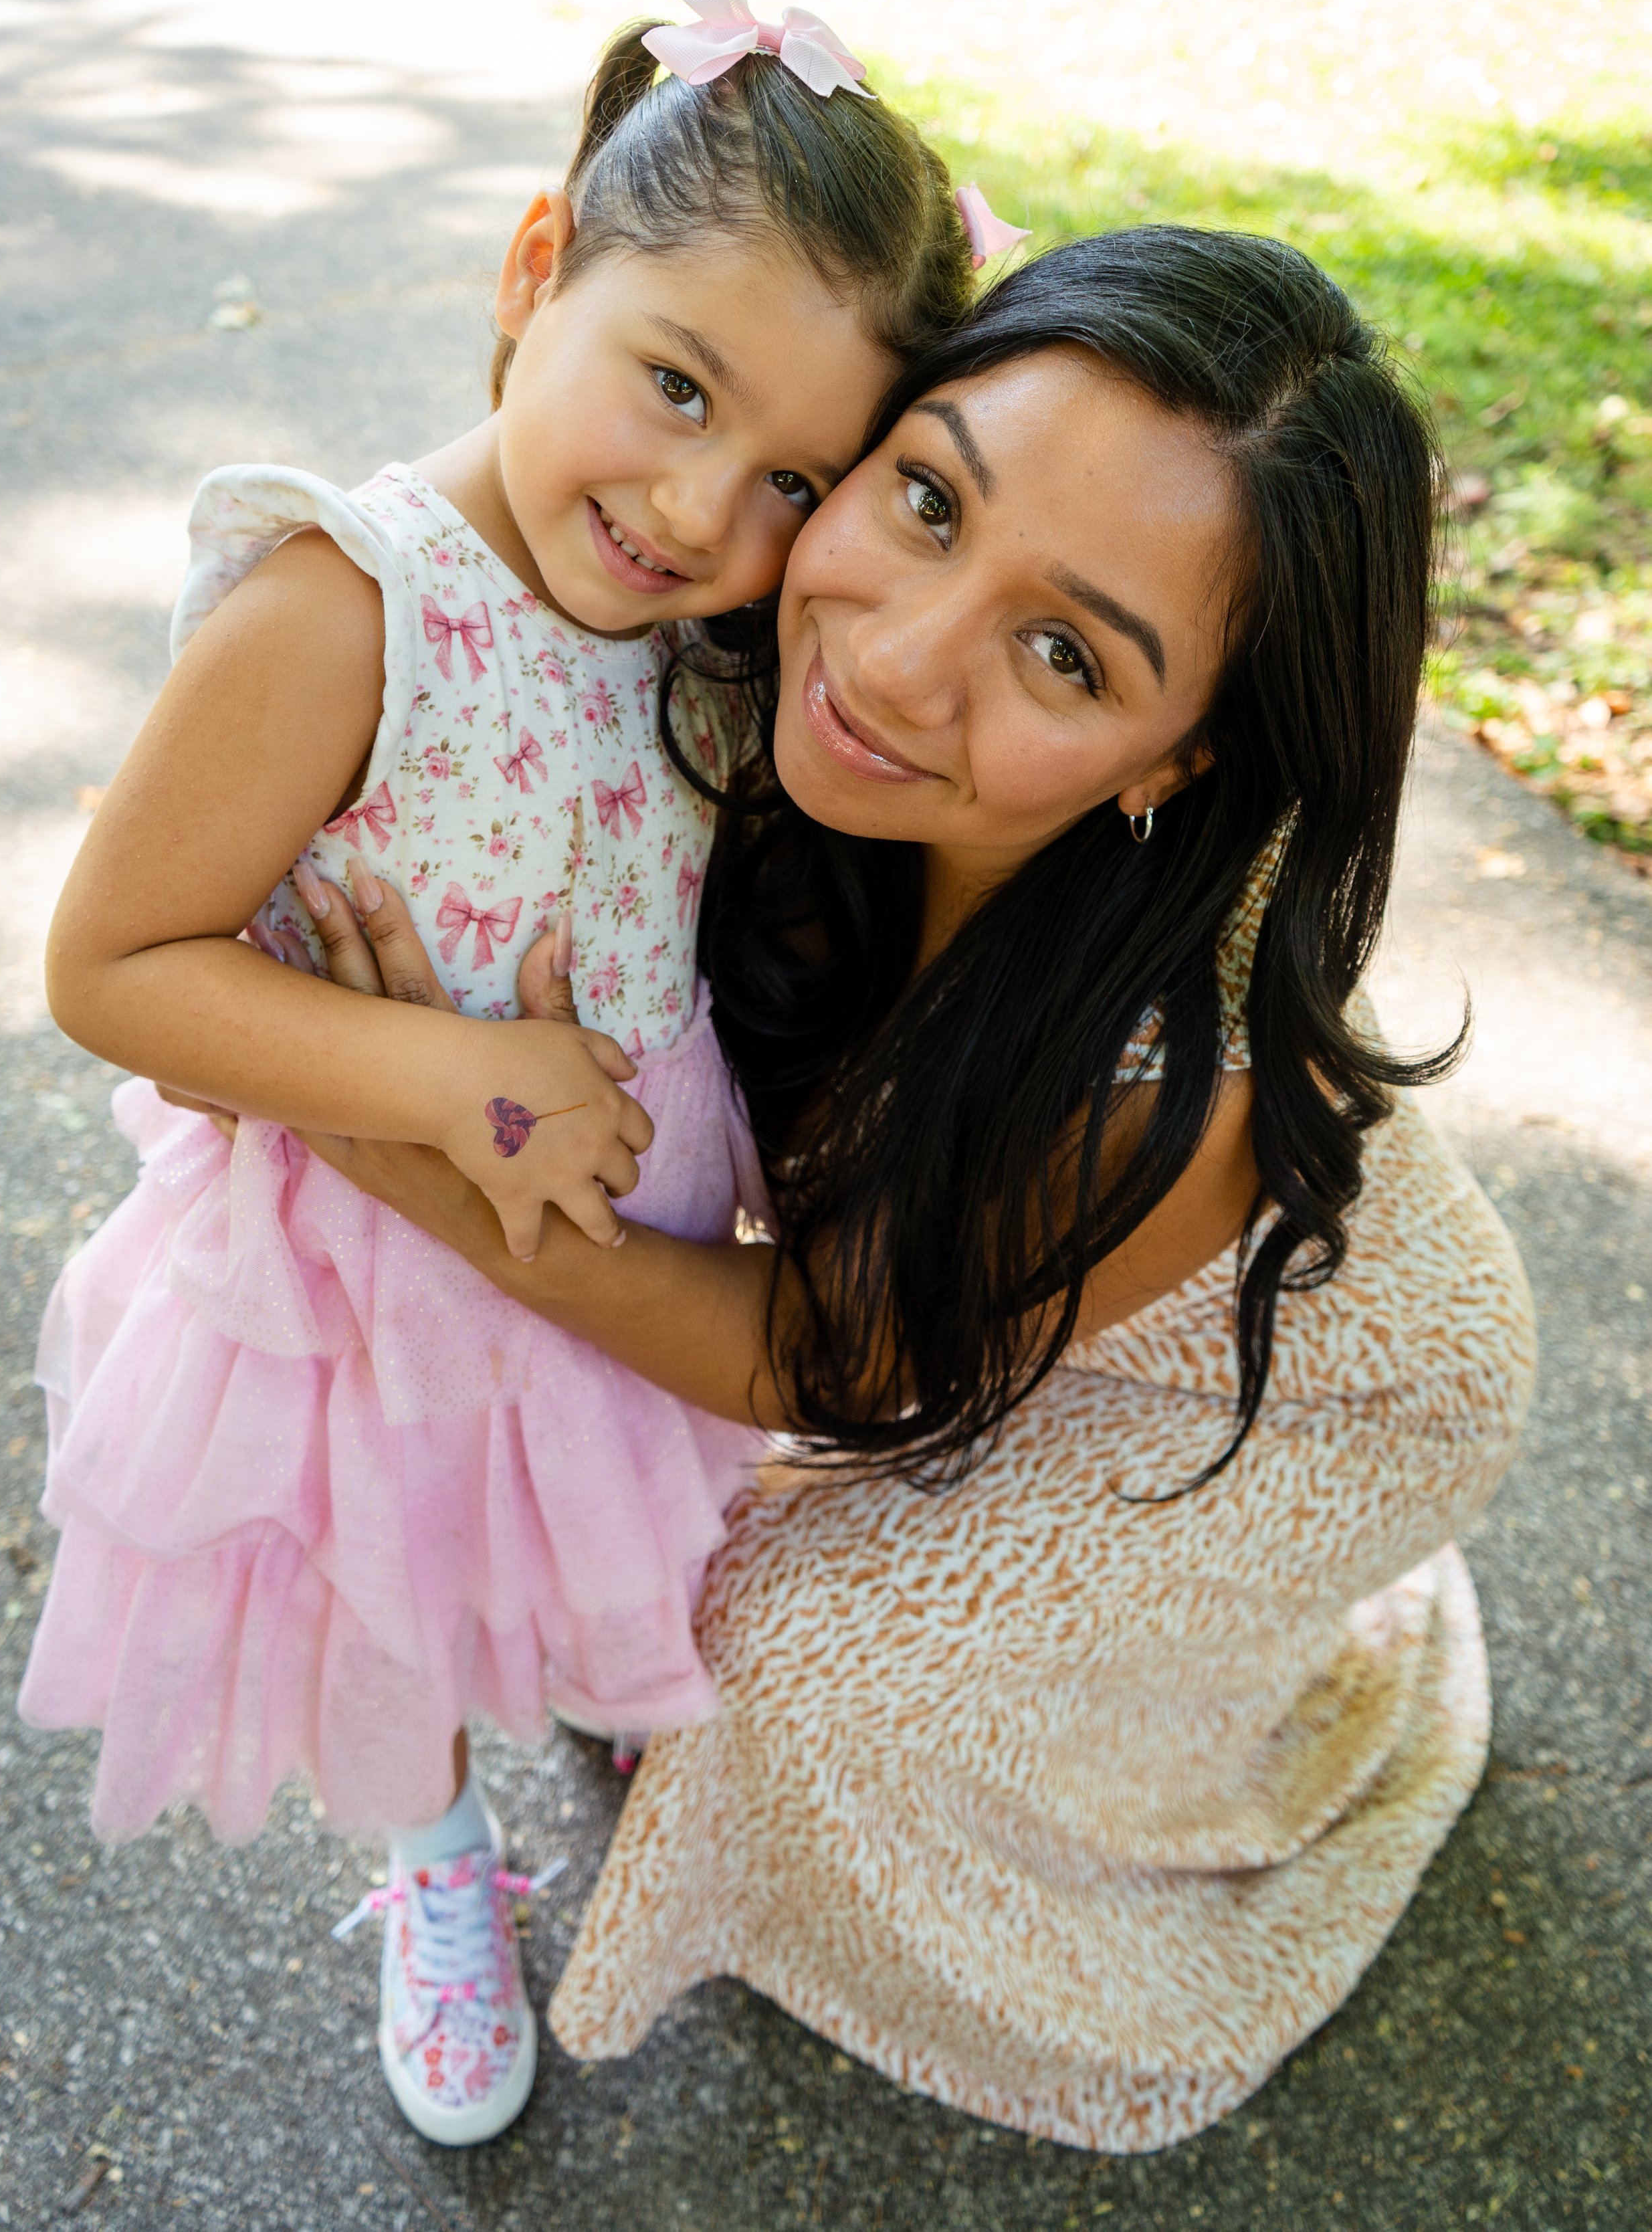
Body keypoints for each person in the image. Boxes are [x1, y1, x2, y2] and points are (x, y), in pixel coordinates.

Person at [287, 227, 1538, 2154]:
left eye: (1064, 653)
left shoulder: (1152, 1086)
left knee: (777, 1650)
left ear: (1178, 753)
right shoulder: (735, 613)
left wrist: (403, 1144)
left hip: (1337, 1395)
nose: (890, 657)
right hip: (1022, 1273)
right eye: (928, 496)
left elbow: (814, 1355)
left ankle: (1246, 1714)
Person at [17, 0, 981, 2146]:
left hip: (613, 1230)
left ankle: (617, 1706)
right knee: (401, 1577)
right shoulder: (346, 603)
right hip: (367, 1277)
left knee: (594, 1521)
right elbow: (113, 960)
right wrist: (447, 1077)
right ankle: (437, 1860)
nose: (695, 512)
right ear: (537, 263)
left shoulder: (689, 626)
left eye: (787, 477)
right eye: (669, 385)